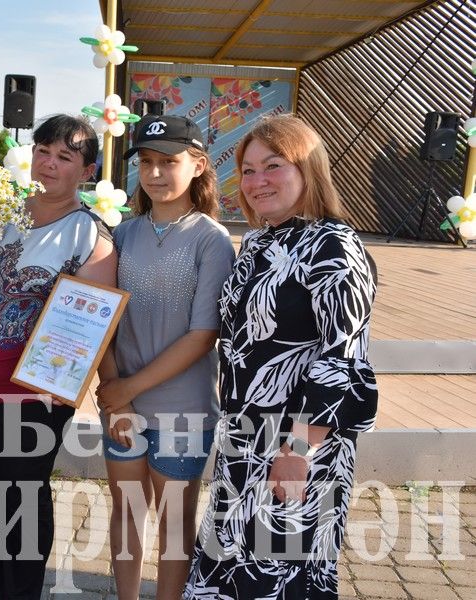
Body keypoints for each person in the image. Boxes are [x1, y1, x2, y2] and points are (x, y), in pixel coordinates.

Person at [184, 114, 378, 600]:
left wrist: (298, 453)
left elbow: (344, 362)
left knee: (278, 575)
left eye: (273, 166)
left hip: (299, 442)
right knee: (229, 565)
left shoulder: (335, 247)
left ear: (307, 169)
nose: (256, 181)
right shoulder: (258, 242)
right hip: (245, 436)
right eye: (247, 170)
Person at [0, 114, 118, 599]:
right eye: (43, 151)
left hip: (36, 390)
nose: (48, 164)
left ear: (87, 171)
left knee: (21, 493)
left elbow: (90, 326)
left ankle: (20, 590)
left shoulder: (90, 236)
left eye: (64, 157)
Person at [96, 115, 234, 599]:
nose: (155, 173)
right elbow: (102, 321)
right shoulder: (122, 234)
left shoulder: (211, 239)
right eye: (146, 162)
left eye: (168, 162)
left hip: (182, 410)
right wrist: (115, 396)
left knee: (174, 523)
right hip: (122, 407)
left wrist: (125, 391)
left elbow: (203, 334)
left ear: (197, 165)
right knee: (127, 511)